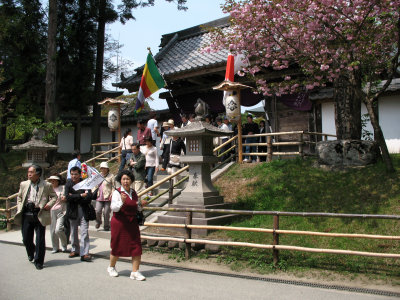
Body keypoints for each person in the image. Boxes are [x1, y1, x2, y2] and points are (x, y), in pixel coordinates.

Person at [14, 165, 57, 270]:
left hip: (40, 213)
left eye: (31, 172)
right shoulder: (24, 184)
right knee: (26, 238)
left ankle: (39, 261)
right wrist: (20, 207)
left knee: (40, 239)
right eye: (28, 172)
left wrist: (49, 205)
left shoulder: (46, 185)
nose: (29, 174)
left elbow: (54, 196)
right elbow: (19, 197)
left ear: (38, 174)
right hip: (27, 213)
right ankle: (31, 251)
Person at [107, 170, 147, 280]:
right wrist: (122, 201)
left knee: (136, 246)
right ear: (120, 180)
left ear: (131, 181)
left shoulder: (133, 192)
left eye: (128, 179)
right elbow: (114, 208)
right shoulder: (117, 192)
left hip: (132, 222)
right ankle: (111, 267)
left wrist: (141, 205)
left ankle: (135, 271)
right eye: (124, 179)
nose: (126, 181)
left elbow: (136, 207)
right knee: (117, 245)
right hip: (119, 222)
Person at [65, 166, 93, 262]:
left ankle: (85, 253)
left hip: (84, 209)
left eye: (76, 174)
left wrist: (73, 196)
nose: (74, 176)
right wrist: (81, 195)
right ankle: (74, 249)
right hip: (73, 210)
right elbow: (67, 198)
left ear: (80, 174)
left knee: (84, 231)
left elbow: (89, 196)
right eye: (72, 174)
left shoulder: (85, 182)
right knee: (73, 231)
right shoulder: (68, 184)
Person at [48, 174, 68, 254]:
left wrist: (64, 198)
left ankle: (64, 244)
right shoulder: (48, 189)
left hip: (61, 210)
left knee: (58, 229)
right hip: (51, 211)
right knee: (52, 230)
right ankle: (55, 247)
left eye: (54, 180)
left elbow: (65, 197)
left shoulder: (62, 188)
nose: (52, 182)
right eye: (51, 180)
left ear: (58, 181)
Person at [94, 162, 115, 231]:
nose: (103, 169)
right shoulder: (99, 176)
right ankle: (98, 221)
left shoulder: (111, 176)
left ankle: (106, 225)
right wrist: (91, 192)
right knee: (97, 210)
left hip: (107, 196)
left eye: (104, 168)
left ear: (107, 168)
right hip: (99, 195)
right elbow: (95, 186)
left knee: (106, 212)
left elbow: (113, 186)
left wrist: (112, 194)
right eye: (102, 168)